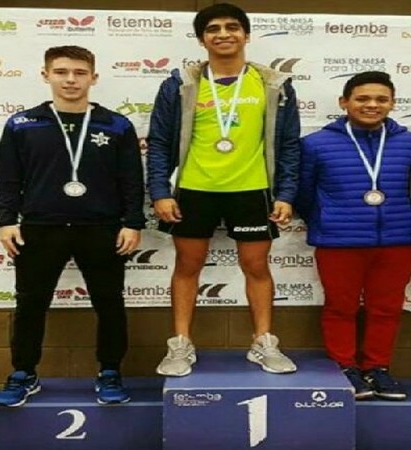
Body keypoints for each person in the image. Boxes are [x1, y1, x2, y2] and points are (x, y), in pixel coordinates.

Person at [147, 3, 300, 376]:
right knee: (187, 266)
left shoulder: (273, 84)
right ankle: (180, 344)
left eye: (232, 27)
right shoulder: (179, 84)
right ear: (202, 40)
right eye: (213, 28)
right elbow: (159, 142)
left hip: (252, 189)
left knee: (256, 267)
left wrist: (285, 194)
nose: (223, 34)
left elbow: (289, 144)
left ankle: (263, 341)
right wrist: (160, 191)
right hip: (194, 189)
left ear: (246, 35)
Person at [0, 45, 146, 406]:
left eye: (79, 72)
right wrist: (7, 220)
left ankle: (110, 371)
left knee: (109, 302)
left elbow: (131, 180)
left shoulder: (116, 125)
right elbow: (7, 177)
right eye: (61, 72)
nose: (71, 80)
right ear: (46, 75)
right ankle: (23, 373)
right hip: (40, 227)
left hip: (102, 228)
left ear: (94, 77)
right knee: (30, 304)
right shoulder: (22, 124)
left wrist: (133, 222)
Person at [296, 72, 411, 400]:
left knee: (386, 309)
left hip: (396, 241)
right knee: (341, 307)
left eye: (381, 99)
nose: (372, 105)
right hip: (339, 242)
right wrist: (328, 219)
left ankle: (378, 369)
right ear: (344, 102)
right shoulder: (316, 144)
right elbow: (303, 193)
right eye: (362, 98)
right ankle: (345, 367)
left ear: (393, 103)